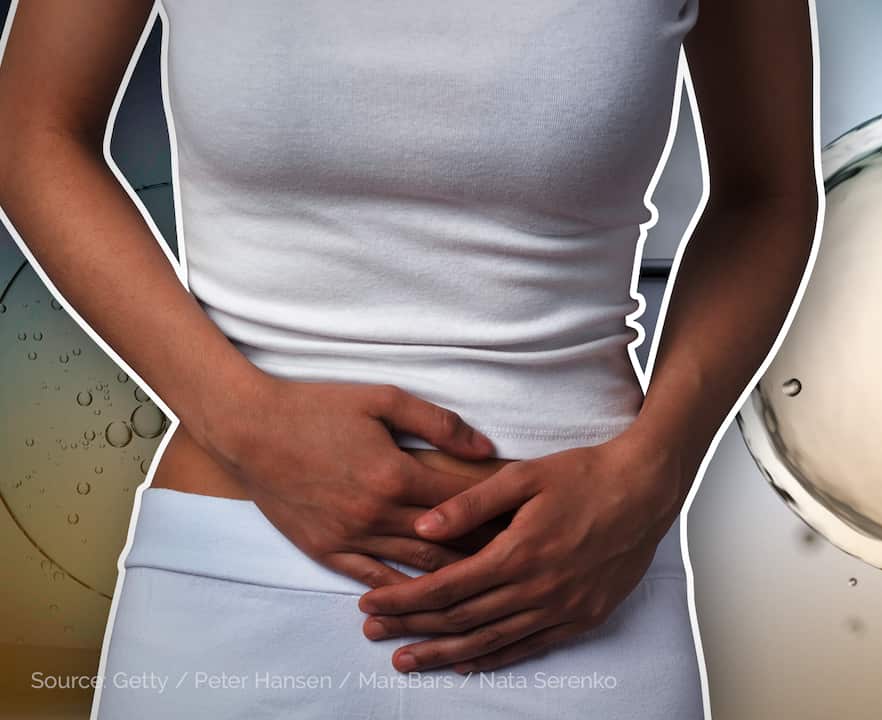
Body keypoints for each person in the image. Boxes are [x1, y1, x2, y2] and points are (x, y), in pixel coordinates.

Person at [0, 0, 819, 717]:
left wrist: (659, 467)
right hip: (230, 583)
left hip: (580, 595)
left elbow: (767, 193)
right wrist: (246, 423)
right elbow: (29, 131)